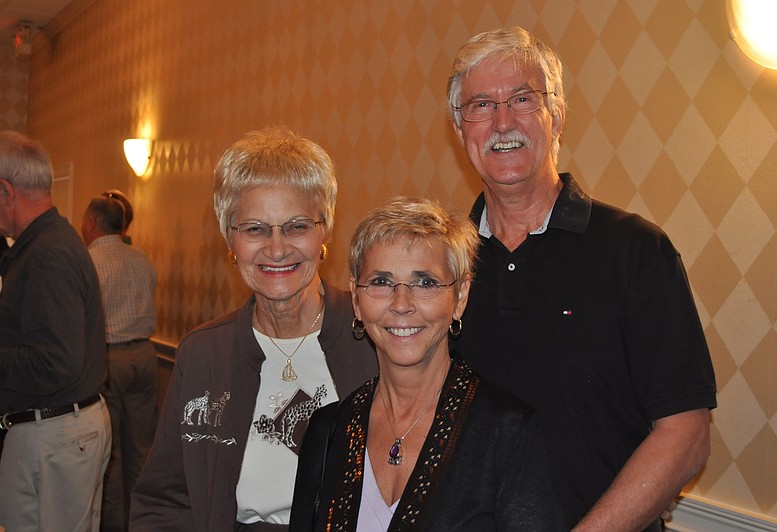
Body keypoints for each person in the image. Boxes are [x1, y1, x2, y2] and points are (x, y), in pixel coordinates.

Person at [446, 26, 717, 531]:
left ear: (558, 117)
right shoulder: (442, 264)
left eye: (522, 99)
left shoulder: (635, 249)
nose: (502, 121)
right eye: (480, 105)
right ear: (461, 131)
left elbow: (686, 433)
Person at [130, 127, 378, 531]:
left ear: (325, 229)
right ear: (230, 237)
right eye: (255, 228)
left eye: (297, 226)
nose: (277, 249)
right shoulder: (204, 353)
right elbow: (164, 499)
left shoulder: (373, 338)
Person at [291, 197, 565, 531]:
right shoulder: (327, 430)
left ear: (459, 297)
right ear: (356, 298)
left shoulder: (509, 433)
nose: (402, 304)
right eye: (381, 281)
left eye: (426, 282)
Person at [0, 130, 111, 532]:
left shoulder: (48, 254)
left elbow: (56, 362)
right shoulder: (43, 243)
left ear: (6, 191)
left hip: (55, 431)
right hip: (58, 429)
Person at [81, 193, 158, 532]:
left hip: (109, 360)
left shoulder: (90, 261)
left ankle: (113, 527)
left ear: (93, 223)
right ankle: (141, 524)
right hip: (145, 356)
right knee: (141, 452)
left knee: (110, 458)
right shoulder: (141, 258)